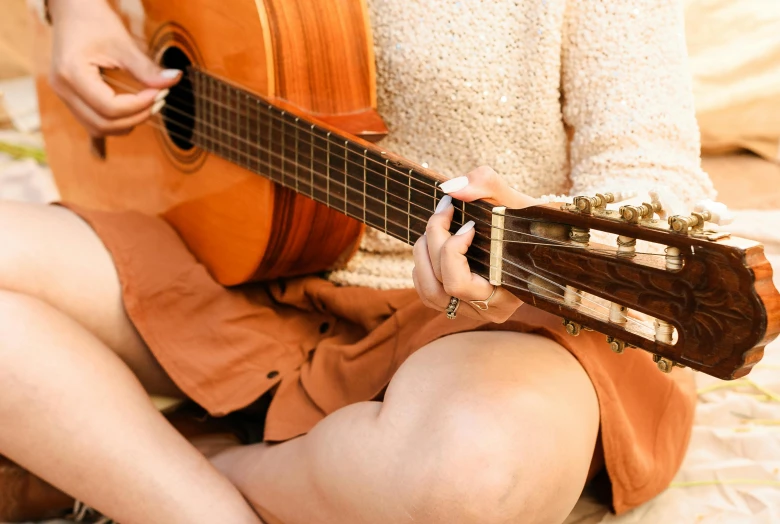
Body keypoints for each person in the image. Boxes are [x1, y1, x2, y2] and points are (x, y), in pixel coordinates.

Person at [0, 0, 714, 522]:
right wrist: (78, 12)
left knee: (474, 481)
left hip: (489, 318)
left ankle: (139, 464)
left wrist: (516, 252)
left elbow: (655, 182)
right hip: (241, 263)